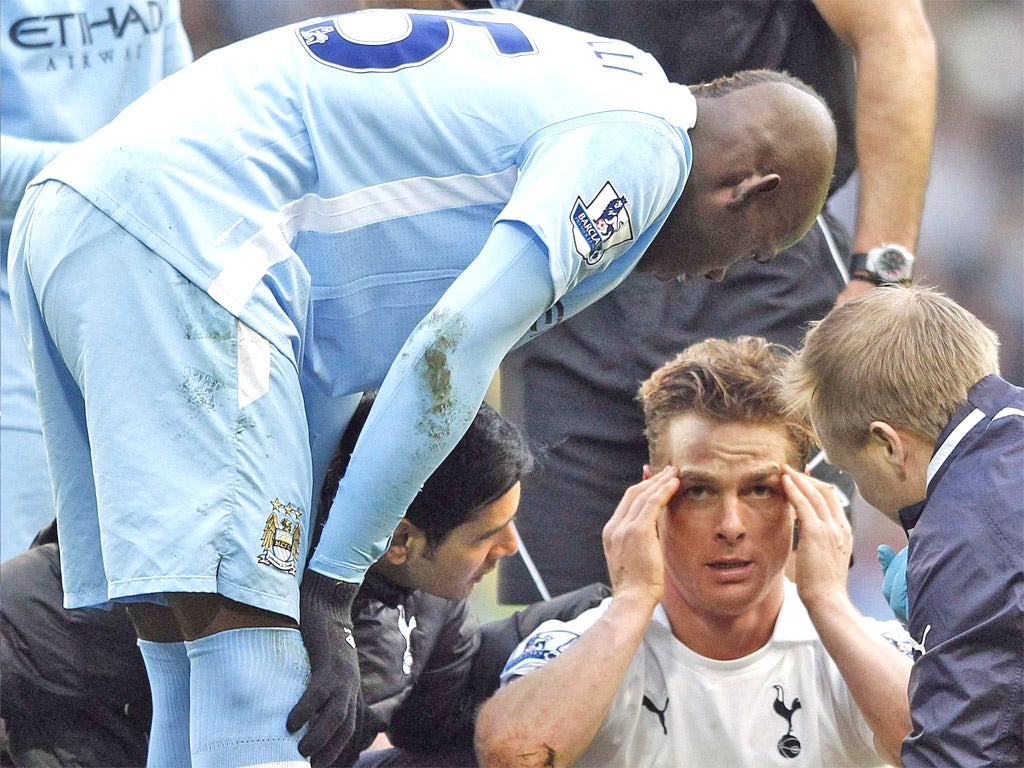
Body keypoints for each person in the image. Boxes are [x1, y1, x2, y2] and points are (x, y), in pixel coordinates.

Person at [6, 4, 838, 764]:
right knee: (260, 669)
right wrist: (331, 589)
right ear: (748, 188)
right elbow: (449, 352)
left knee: (184, 652)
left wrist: (304, 560)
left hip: (90, 219)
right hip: (195, 243)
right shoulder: (644, 149)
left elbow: (335, 352)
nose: (718, 277)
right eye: (755, 253)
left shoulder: (594, 73)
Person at [496, 0, 937, 604]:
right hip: (576, 254)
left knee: (775, 610)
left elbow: (892, 30)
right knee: (567, 614)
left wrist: (881, 275)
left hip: (764, 247)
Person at [1, 393, 608, 767]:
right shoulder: (237, 564)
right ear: (399, 539)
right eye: (485, 535)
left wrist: (610, 609)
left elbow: (443, 718)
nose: (508, 547)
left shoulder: (431, 609)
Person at [474, 336, 915, 767]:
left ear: (803, 498)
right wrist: (630, 602)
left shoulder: (870, 650)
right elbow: (513, 756)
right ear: (651, 493)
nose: (731, 526)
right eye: (700, 490)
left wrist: (830, 603)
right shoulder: (573, 646)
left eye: (759, 489)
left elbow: (952, 752)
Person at [781, 285, 1024, 768]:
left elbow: (961, 758)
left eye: (850, 469)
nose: (860, 490)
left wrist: (956, 600)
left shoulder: (967, 538)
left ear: (889, 446)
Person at [0, 0, 193, 563]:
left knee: (156, 571)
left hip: (137, 287)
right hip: (13, 300)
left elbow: (184, 107)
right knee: (19, 566)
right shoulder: (125, 170)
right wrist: (121, 172)